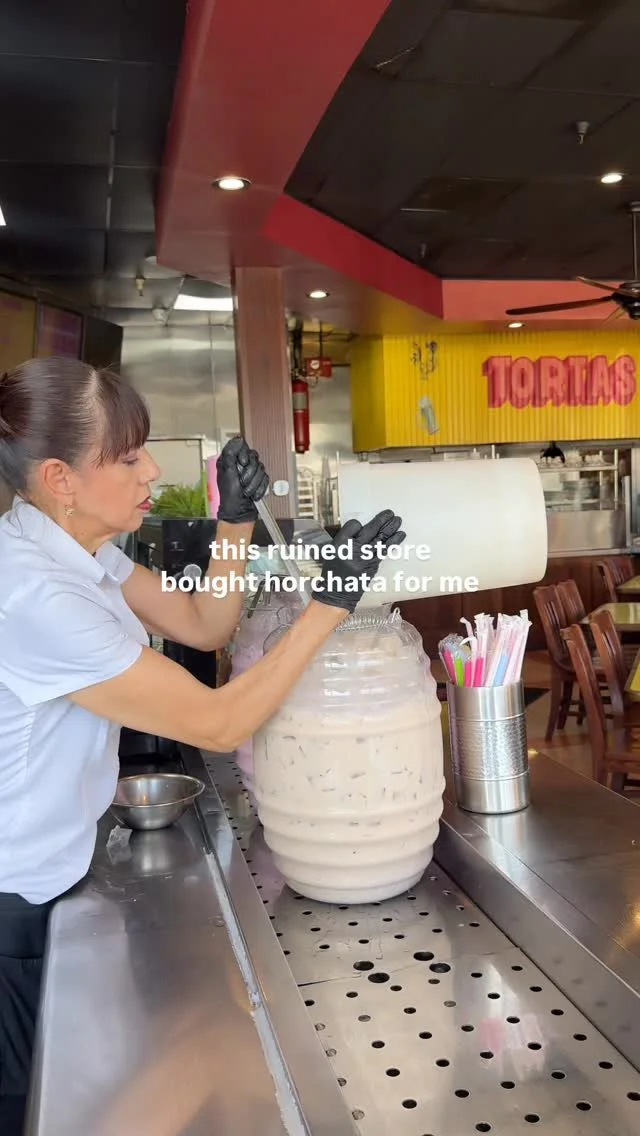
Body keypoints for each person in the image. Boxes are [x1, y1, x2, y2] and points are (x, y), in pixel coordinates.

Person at [0, 357, 404, 1132]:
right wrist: (330, 605)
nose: (151, 470)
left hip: (50, 880)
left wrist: (236, 521)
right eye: (127, 458)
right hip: (12, 908)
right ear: (60, 479)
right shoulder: (36, 593)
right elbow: (219, 723)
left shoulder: (72, 549)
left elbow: (201, 624)